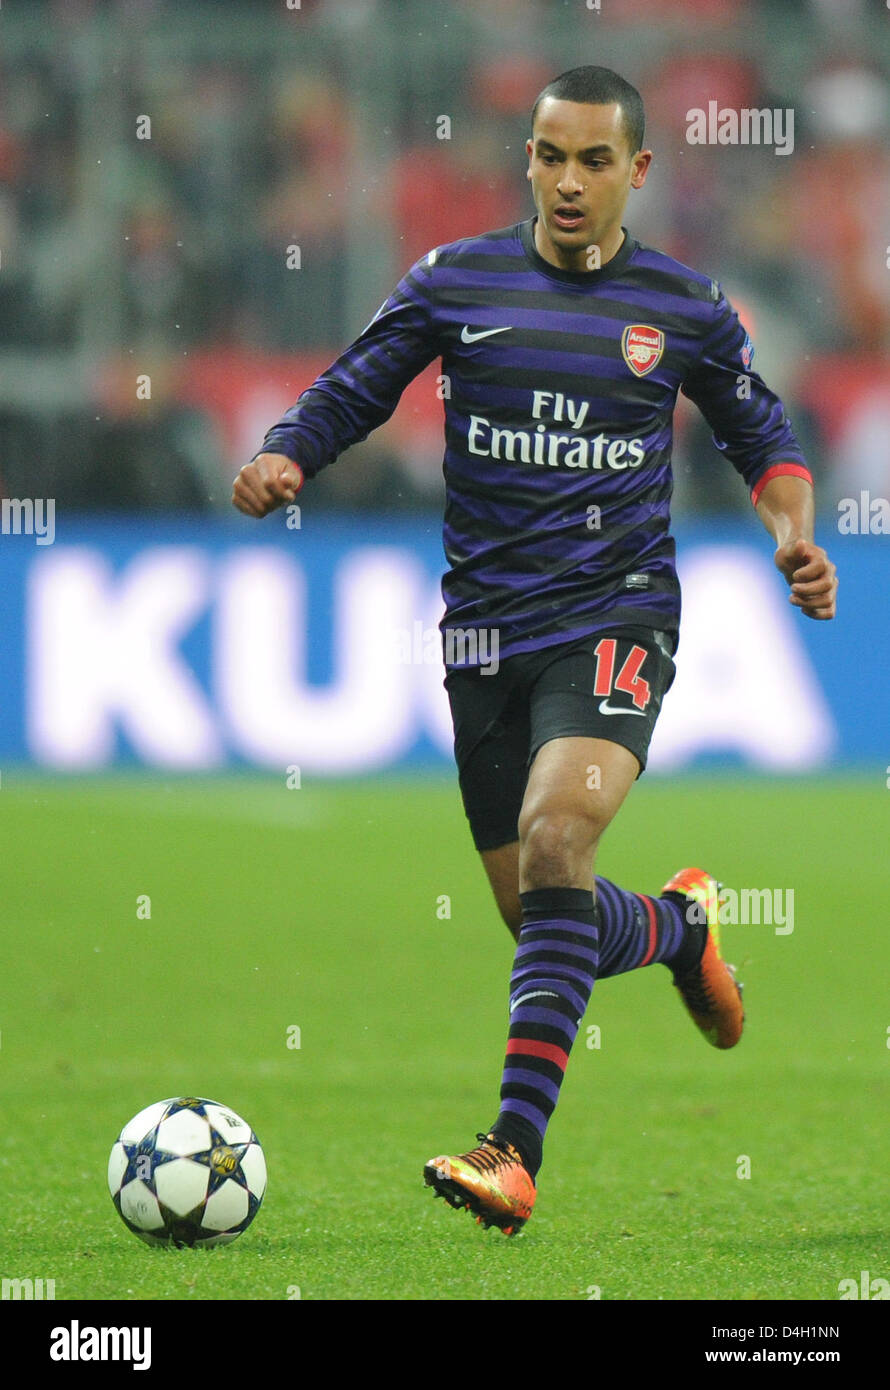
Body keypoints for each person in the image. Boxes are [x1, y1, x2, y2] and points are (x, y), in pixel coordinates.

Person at [232, 66, 838, 1235]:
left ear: (636, 172)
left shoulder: (684, 309)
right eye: (549, 156)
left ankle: (511, 1152)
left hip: (616, 615)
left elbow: (759, 430)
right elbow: (358, 385)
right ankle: (679, 928)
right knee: (542, 912)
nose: (568, 181)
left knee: (562, 836)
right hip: (481, 637)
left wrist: (794, 537)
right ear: (526, 158)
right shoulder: (454, 281)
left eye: (594, 161)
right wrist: (288, 453)